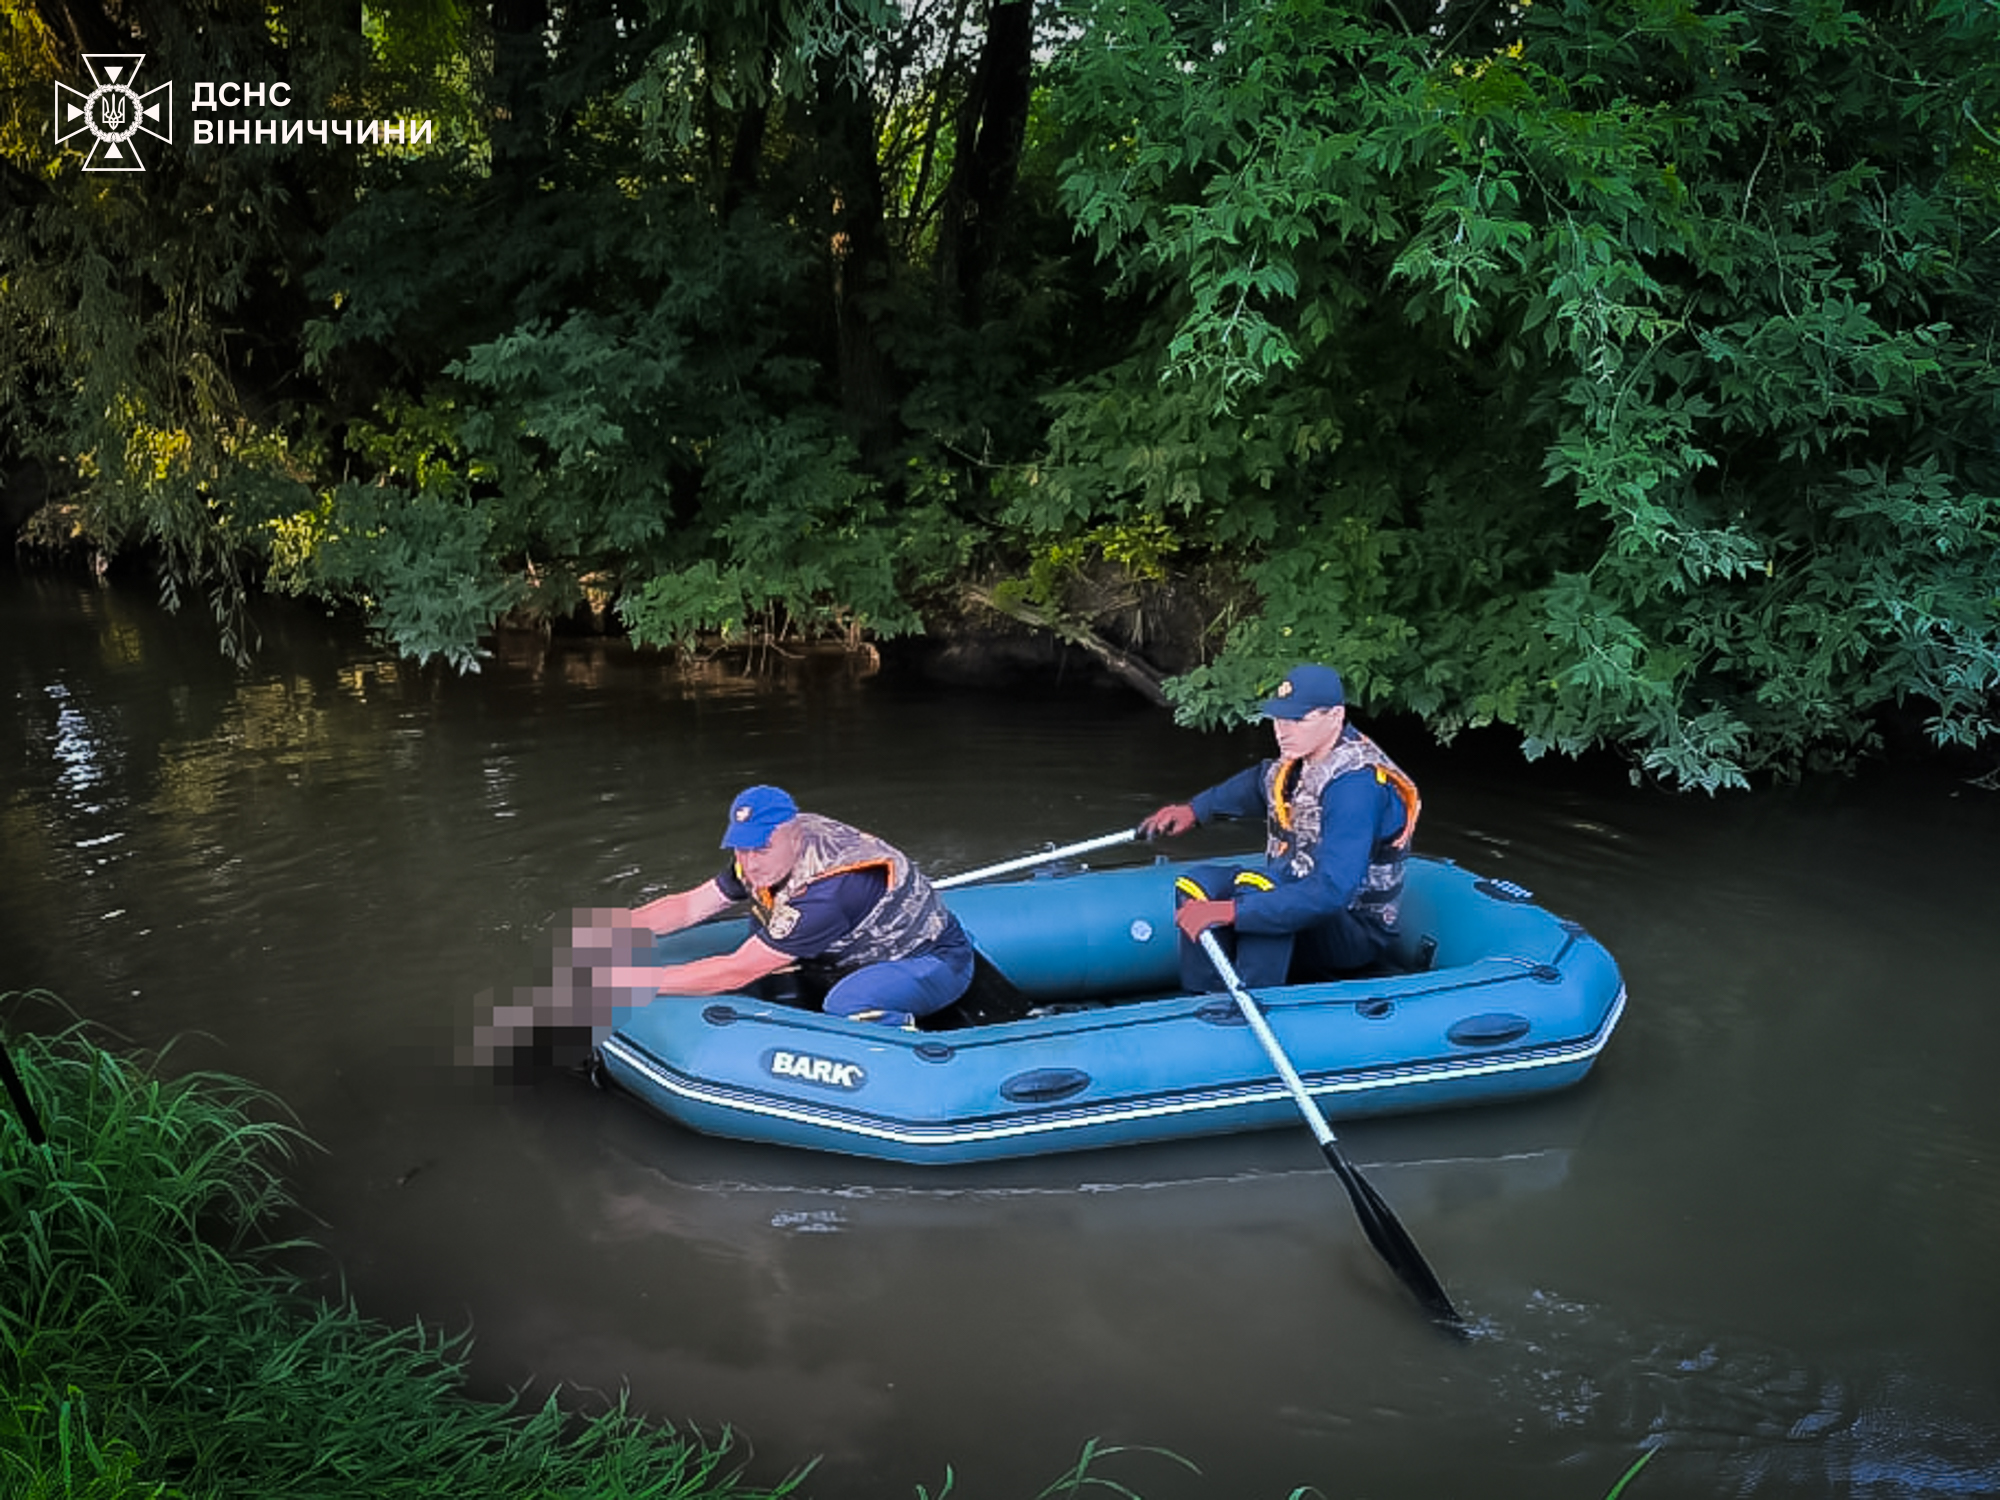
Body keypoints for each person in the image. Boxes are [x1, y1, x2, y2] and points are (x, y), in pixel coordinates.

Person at [587, 785, 976, 1029]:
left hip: (930, 961)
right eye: (741, 848)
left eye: (761, 849)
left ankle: (903, 1039)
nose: (749, 863)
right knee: (761, 922)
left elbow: (736, 971)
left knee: (848, 1003)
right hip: (857, 946)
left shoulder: (828, 892)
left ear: (795, 838)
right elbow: (690, 906)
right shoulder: (764, 855)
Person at [1139, 663, 1420, 992]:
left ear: (1335, 716)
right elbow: (1255, 785)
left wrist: (1232, 911)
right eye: (1278, 718)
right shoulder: (1299, 761)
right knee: (1197, 884)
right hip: (1301, 901)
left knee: (1261, 888)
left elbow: (1332, 892)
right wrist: (1194, 811)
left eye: (1298, 720)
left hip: (1352, 932)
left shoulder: (1356, 788)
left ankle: (1258, 997)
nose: (1282, 731)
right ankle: (1205, 1000)